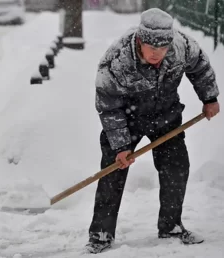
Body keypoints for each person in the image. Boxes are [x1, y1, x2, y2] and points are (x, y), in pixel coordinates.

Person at [86, 8, 220, 254]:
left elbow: (200, 66)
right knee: (113, 171)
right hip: (126, 118)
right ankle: (101, 234)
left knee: (177, 167)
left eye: (163, 49)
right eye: (152, 50)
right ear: (140, 40)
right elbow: (108, 106)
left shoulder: (181, 45)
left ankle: (171, 226)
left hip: (166, 116)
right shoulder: (117, 60)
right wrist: (121, 146)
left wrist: (209, 97)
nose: (158, 55)